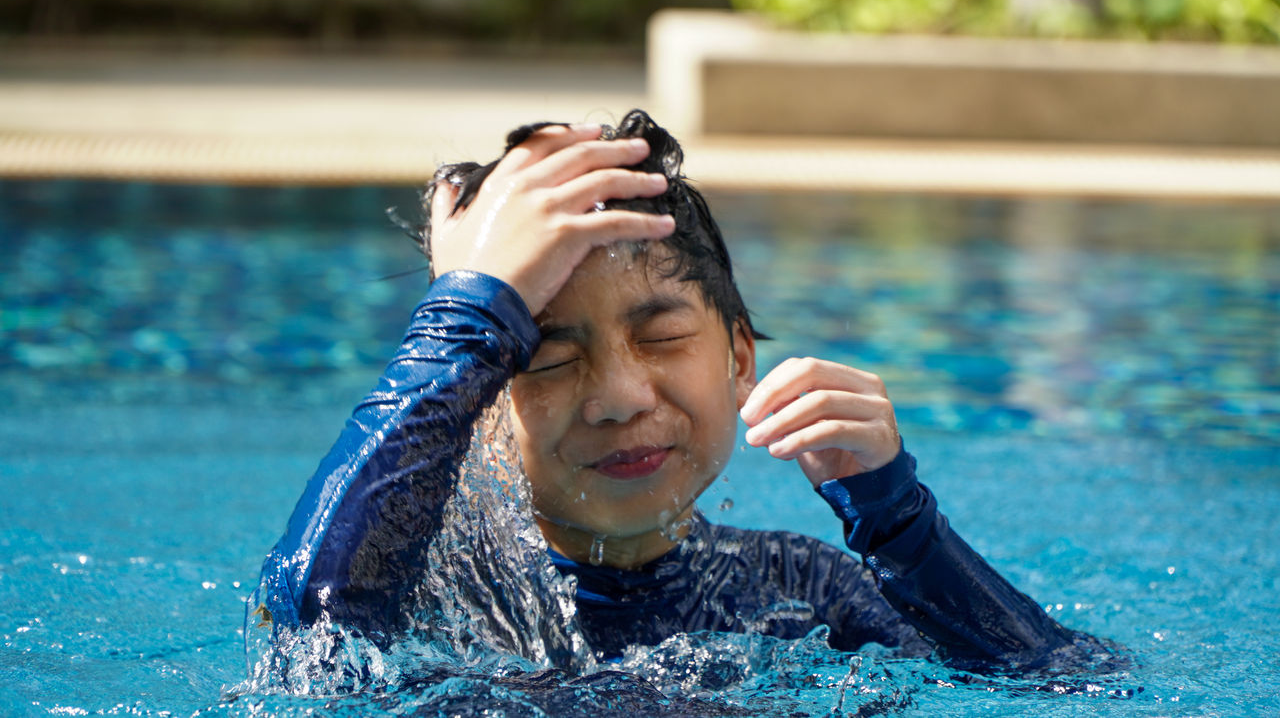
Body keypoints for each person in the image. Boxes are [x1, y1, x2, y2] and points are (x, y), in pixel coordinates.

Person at [253, 110, 1108, 671]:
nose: (621, 394)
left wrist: (901, 523)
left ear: (741, 357)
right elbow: (308, 637)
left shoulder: (798, 593)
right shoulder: (435, 601)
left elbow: (1065, 682)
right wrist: (466, 318)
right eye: (546, 356)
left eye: (661, 335)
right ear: (476, 402)